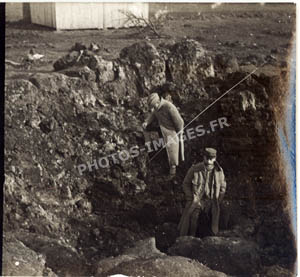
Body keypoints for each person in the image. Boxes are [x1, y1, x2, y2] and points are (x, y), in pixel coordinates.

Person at [178, 148, 226, 236]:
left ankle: (211, 238)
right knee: (193, 218)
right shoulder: (195, 169)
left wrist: (217, 201)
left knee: (213, 222)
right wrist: (191, 197)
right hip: (197, 200)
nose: (208, 160)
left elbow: (223, 187)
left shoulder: (219, 171)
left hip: (212, 201)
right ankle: (190, 238)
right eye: (206, 157)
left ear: (215, 158)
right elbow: (185, 184)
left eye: (211, 158)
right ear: (203, 157)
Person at [143, 92, 184, 176]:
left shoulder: (169, 107)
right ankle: (152, 153)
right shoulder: (157, 108)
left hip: (171, 131)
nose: (153, 109)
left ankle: (173, 172)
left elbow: (179, 122)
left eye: (154, 107)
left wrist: (179, 133)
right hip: (161, 130)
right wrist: (146, 122)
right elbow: (153, 115)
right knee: (160, 146)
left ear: (158, 102)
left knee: (173, 152)